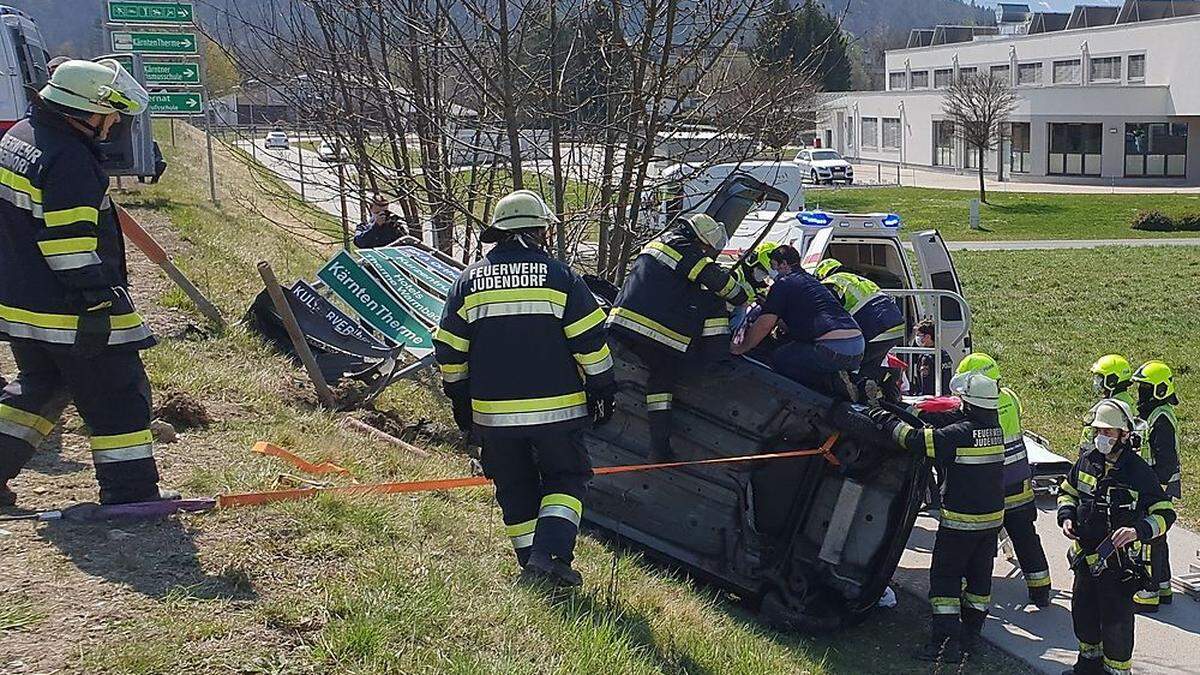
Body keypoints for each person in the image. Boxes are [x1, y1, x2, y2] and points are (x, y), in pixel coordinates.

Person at [0, 59, 178, 507]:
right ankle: (131, 496)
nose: (116, 122)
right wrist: (101, 303)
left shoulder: (20, 137)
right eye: (112, 112)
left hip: (22, 303)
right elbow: (69, 247)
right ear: (87, 109)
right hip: (69, 312)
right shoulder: (70, 160)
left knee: (40, 387)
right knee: (119, 396)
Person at [434, 189, 616, 587]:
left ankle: (531, 563)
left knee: (513, 483)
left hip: (493, 416)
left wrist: (460, 400)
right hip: (558, 413)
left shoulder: (468, 282)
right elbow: (589, 340)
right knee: (566, 478)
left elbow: (449, 349)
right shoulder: (560, 277)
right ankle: (549, 555)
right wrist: (603, 388)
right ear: (539, 232)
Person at [873, 371, 1005, 662]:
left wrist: (885, 421)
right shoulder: (994, 429)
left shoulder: (960, 434)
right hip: (990, 524)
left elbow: (916, 441)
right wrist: (903, 408)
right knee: (979, 583)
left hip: (961, 523)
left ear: (969, 403)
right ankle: (971, 638)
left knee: (945, 582)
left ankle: (944, 646)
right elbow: (952, 423)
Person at [607, 213, 748, 461]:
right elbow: (720, 284)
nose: (708, 254)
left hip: (623, 322)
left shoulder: (662, 241)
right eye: (708, 249)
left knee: (662, 380)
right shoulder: (682, 247)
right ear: (702, 240)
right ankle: (717, 363)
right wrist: (742, 295)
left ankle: (659, 447)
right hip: (653, 330)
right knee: (714, 303)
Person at [1058, 398, 1175, 675]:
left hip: (1119, 566)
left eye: (1108, 432)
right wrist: (1066, 517)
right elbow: (1068, 492)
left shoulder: (1137, 470)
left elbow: (1165, 512)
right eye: (1098, 431)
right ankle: (1087, 666)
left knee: (1116, 626)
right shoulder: (1087, 461)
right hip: (1086, 562)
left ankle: (1116, 671)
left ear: (1124, 434)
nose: (1101, 437)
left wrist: (1138, 530)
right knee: (1083, 615)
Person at [958, 353, 1051, 607]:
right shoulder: (1010, 397)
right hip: (1019, 483)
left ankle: (970, 591)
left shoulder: (978, 406)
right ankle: (1041, 590)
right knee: (1025, 537)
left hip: (991, 485)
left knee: (980, 539)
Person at [732, 244, 863, 398]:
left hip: (831, 349)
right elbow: (794, 326)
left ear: (784, 264)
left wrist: (741, 348)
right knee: (799, 353)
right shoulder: (812, 282)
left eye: (775, 267)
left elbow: (764, 325)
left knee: (780, 357)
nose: (773, 273)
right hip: (857, 347)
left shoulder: (783, 283)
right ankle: (853, 383)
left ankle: (831, 384)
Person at [1130, 360, 1180, 612]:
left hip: (1156, 489)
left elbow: (1166, 463)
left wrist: (1150, 489)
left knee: (1149, 539)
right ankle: (1164, 586)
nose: (1141, 394)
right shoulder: (1153, 415)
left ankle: (1149, 594)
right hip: (1153, 486)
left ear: (1159, 390)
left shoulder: (1161, 420)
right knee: (1159, 539)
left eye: (1145, 389)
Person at [812, 258, 905, 389]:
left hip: (875, 327)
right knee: (869, 369)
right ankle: (887, 386)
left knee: (848, 364)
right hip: (895, 326)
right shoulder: (858, 279)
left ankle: (885, 380)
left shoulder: (831, 282)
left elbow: (828, 313)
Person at [1081, 355, 1137, 453]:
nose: (1096, 383)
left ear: (1112, 380)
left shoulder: (1116, 406)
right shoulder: (1121, 401)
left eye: (1100, 378)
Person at [910, 318, 953, 396]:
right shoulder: (943, 353)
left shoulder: (926, 358)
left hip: (932, 398)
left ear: (927, 337)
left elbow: (926, 384)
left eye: (918, 335)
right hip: (945, 396)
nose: (917, 338)